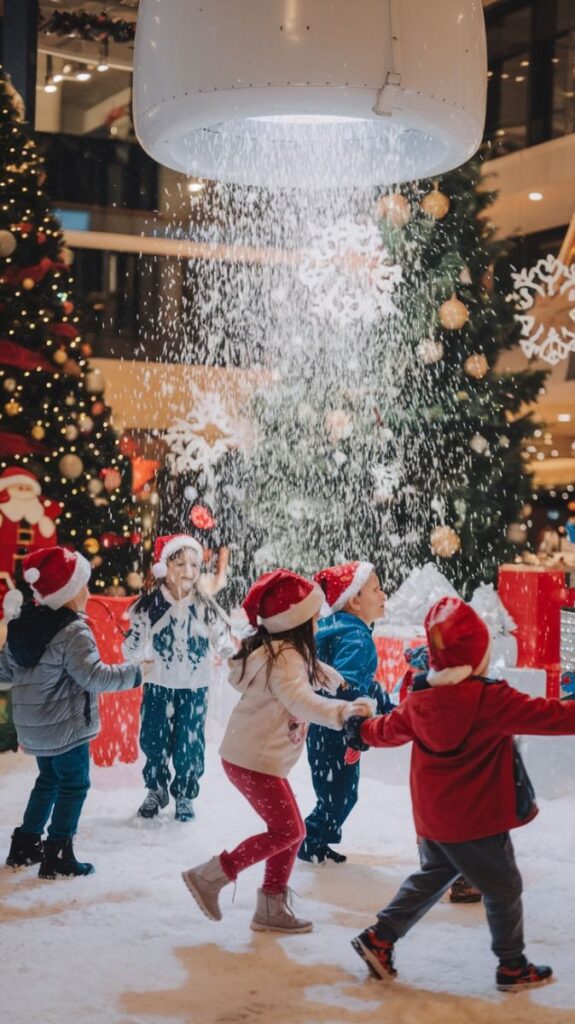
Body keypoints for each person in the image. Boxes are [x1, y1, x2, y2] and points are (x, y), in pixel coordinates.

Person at [344, 596, 575, 991]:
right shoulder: (492, 700)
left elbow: (384, 730)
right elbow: (552, 716)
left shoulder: (420, 700)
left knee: (435, 874)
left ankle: (379, 938)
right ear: (479, 656)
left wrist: (359, 732)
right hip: (478, 820)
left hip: (435, 819)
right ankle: (512, 967)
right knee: (504, 887)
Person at [181, 569, 374, 934]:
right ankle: (212, 876)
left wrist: (334, 679)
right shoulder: (288, 659)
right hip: (255, 760)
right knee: (288, 831)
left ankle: (270, 905)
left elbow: (306, 672)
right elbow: (299, 699)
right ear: (298, 622)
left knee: (289, 830)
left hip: (250, 757)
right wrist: (341, 712)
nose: (320, 621)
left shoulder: (285, 651)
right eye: (315, 616)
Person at [2, 546, 143, 879]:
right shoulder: (74, 631)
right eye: (84, 585)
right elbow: (92, 676)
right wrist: (136, 673)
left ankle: (25, 845)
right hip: (66, 728)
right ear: (68, 592)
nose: (88, 592)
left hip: (34, 728)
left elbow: (5, 672)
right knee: (74, 786)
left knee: (48, 780)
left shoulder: (24, 625)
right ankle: (59, 855)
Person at [123, 533, 235, 822]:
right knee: (154, 740)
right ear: (164, 567)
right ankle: (156, 788)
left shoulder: (205, 606)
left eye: (195, 565)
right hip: (159, 684)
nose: (188, 571)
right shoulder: (150, 606)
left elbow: (223, 640)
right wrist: (136, 645)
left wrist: (231, 651)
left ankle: (185, 792)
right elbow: (131, 649)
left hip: (195, 687)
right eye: (180, 563)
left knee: (189, 742)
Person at [298, 561, 392, 865]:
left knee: (332, 792)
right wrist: (355, 733)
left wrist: (378, 699)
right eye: (376, 589)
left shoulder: (338, 629)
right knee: (340, 796)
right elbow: (348, 687)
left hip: (324, 725)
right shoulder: (356, 637)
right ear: (354, 600)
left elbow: (354, 683)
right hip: (338, 730)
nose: (384, 594)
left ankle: (318, 841)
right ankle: (308, 843)